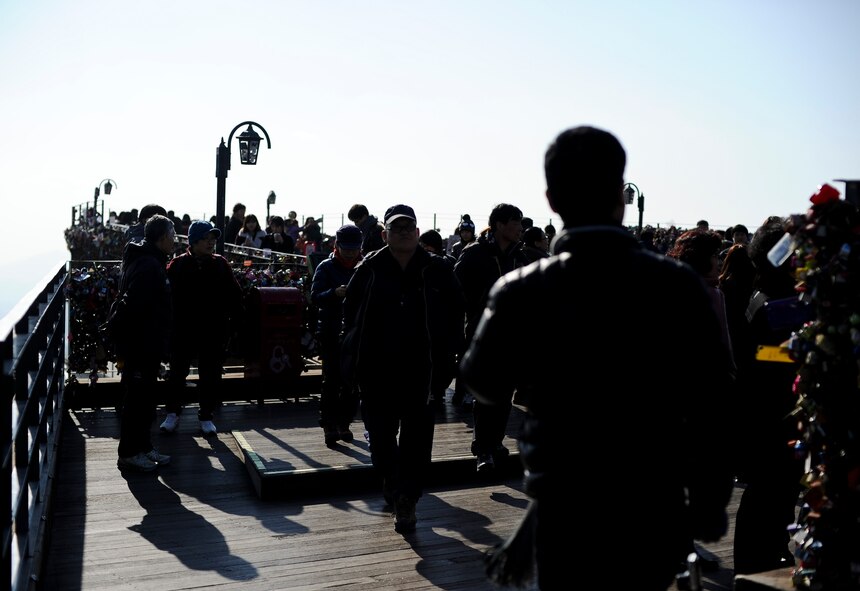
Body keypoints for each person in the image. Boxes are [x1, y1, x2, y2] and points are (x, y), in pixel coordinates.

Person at [459, 126, 734, 590]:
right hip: (652, 498)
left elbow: (482, 380)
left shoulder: (521, 290)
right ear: (621, 197)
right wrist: (709, 501)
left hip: (564, 501)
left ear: (550, 200)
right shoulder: (677, 284)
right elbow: (714, 399)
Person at [341, 204, 464, 534]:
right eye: (396, 228)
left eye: (409, 227)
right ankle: (392, 482)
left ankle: (406, 499)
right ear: (385, 234)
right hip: (376, 369)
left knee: (417, 442)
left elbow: (456, 314)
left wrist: (450, 357)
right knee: (380, 440)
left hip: (423, 371)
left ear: (418, 232)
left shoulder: (437, 269)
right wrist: (351, 360)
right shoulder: (370, 267)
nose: (404, 232)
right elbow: (351, 314)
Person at [453, 203, 528, 472]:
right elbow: (455, 291)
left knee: (504, 394)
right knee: (485, 394)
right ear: (498, 225)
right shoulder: (474, 254)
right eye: (515, 221)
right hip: (481, 333)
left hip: (513, 336)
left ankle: (494, 442)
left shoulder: (520, 257)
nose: (520, 227)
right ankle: (482, 448)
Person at [160, 220, 244, 436]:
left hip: (213, 329)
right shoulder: (177, 265)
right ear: (194, 241)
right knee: (177, 372)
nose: (211, 243)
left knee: (211, 374)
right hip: (183, 329)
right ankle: (172, 413)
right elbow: (165, 297)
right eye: (206, 239)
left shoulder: (221, 264)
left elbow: (235, 295)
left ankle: (206, 416)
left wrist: (233, 323)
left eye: (213, 239)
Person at [115, 214, 176, 472]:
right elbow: (137, 308)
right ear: (162, 237)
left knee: (146, 399)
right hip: (141, 344)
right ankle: (129, 452)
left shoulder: (149, 260)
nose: (175, 240)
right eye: (173, 235)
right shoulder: (149, 265)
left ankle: (144, 447)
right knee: (137, 400)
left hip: (146, 342)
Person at [310, 224, 363, 446]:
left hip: (356, 331)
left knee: (352, 381)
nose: (350, 252)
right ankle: (329, 424)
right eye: (346, 248)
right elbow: (314, 297)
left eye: (354, 248)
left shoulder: (365, 266)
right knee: (331, 379)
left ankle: (345, 422)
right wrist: (334, 293)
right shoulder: (325, 267)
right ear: (336, 246)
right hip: (330, 330)